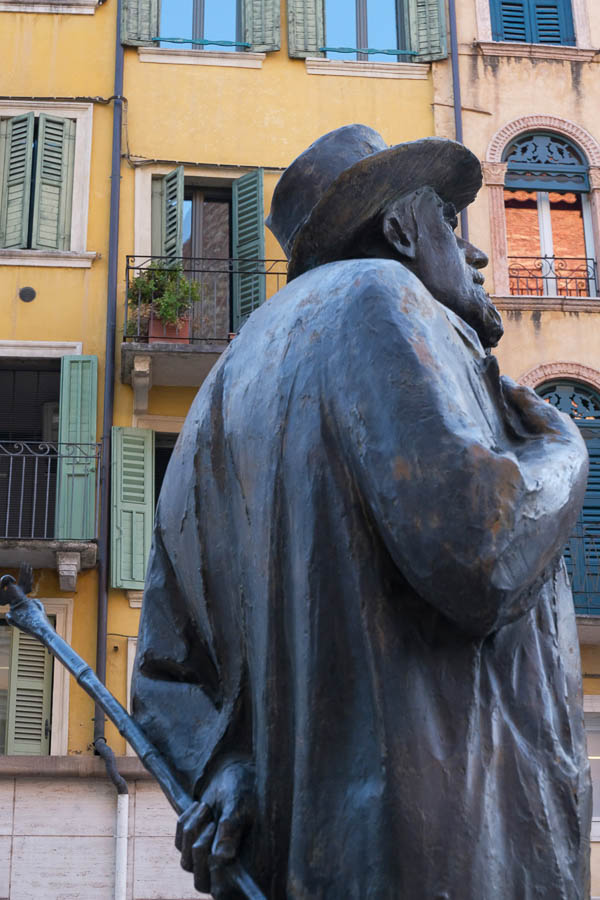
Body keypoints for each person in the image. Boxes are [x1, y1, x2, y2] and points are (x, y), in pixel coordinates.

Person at [131, 125, 591, 899]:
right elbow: (483, 549)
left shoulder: (223, 385)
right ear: (402, 229)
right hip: (451, 852)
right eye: (449, 223)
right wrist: (564, 452)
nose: (474, 253)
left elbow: (162, 671)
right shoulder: (386, 300)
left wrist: (228, 765)